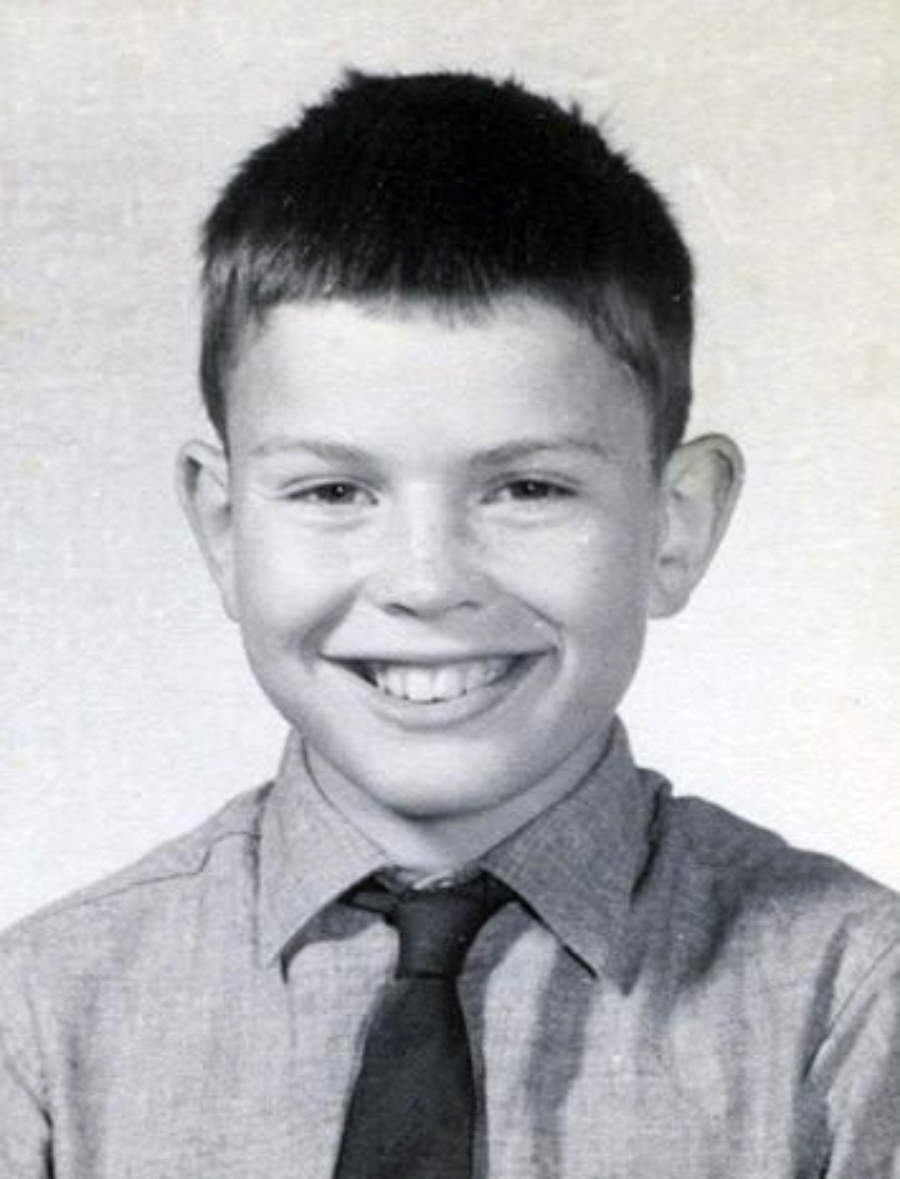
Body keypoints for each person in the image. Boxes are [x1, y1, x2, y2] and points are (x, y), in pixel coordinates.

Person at [1, 69, 897, 1179]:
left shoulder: (852, 1009)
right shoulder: (43, 1026)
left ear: (675, 525)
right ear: (223, 528)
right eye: (335, 491)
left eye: (527, 488)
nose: (426, 583)